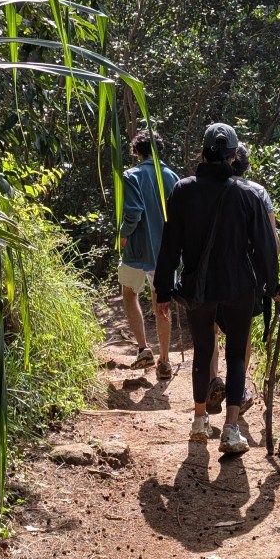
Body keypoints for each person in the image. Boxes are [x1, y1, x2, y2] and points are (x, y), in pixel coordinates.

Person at [154, 123, 280, 453]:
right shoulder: (248, 194)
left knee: (203, 350)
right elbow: (265, 246)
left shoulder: (183, 191)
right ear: (233, 155)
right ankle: (231, 430)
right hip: (239, 286)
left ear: (203, 151)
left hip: (199, 287)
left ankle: (199, 421)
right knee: (237, 354)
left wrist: (163, 290)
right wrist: (272, 284)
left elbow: (170, 245)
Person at [208, 141, 280, 415]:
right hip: (246, 274)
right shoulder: (257, 192)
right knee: (243, 331)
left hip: (211, 270)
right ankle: (238, 390)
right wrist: (271, 276)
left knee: (211, 327)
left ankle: (213, 381)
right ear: (246, 166)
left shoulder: (207, 188)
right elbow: (271, 238)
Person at [119, 129, 179, 380]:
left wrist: (123, 234)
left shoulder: (131, 175)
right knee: (162, 303)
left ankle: (144, 348)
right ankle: (164, 361)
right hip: (165, 252)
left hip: (137, 249)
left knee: (129, 293)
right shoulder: (173, 177)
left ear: (136, 151)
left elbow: (133, 212)